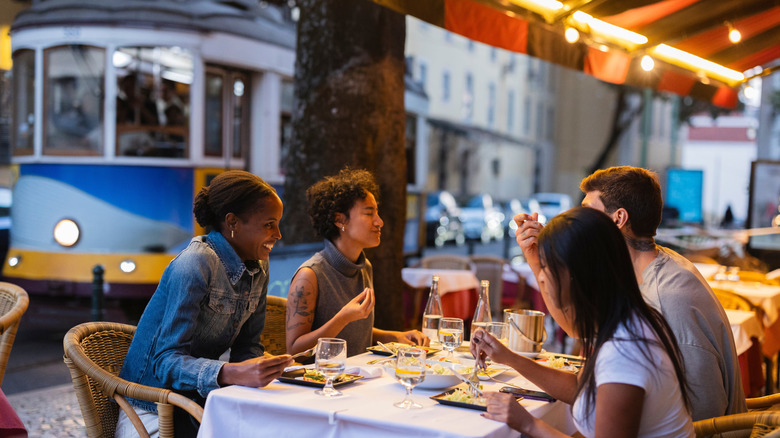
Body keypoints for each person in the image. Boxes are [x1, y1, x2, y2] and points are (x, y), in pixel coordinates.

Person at [515, 166, 746, 422]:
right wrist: (536, 260)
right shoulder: (635, 270)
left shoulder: (667, 297)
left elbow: (704, 412)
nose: (578, 219)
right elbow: (577, 329)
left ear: (618, 218)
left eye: (587, 210)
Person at [472, 207, 693, 437]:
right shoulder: (621, 320)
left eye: (546, 267)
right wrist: (509, 358)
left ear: (578, 274)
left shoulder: (624, 351)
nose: (540, 276)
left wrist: (528, 424)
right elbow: (581, 389)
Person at [116, 170, 293, 437]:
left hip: (201, 403)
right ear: (232, 222)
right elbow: (165, 362)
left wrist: (260, 369)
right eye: (269, 224)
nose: (278, 234)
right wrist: (230, 373)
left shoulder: (259, 267)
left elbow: (248, 347)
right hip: (152, 408)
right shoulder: (195, 263)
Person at [285, 168, 428, 357]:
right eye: (369, 213)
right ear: (340, 220)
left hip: (357, 378)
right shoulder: (310, 275)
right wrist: (342, 318)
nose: (380, 222)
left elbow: (356, 332)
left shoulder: (364, 267)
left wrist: (396, 336)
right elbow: (295, 349)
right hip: (321, 382)